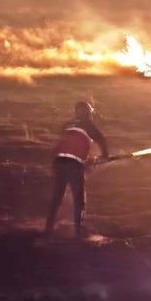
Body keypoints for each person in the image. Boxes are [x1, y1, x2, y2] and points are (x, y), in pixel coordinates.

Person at [45, 100, 110, 238]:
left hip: (59, 162)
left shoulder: (67, 125)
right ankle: (78, 231)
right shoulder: (88, 125)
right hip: (73, 165)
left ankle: (48, 228)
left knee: (57, 196)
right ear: (87, 112)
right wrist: (105, 156)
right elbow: (101, 140)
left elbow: (66, 143)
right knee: (79, 199)